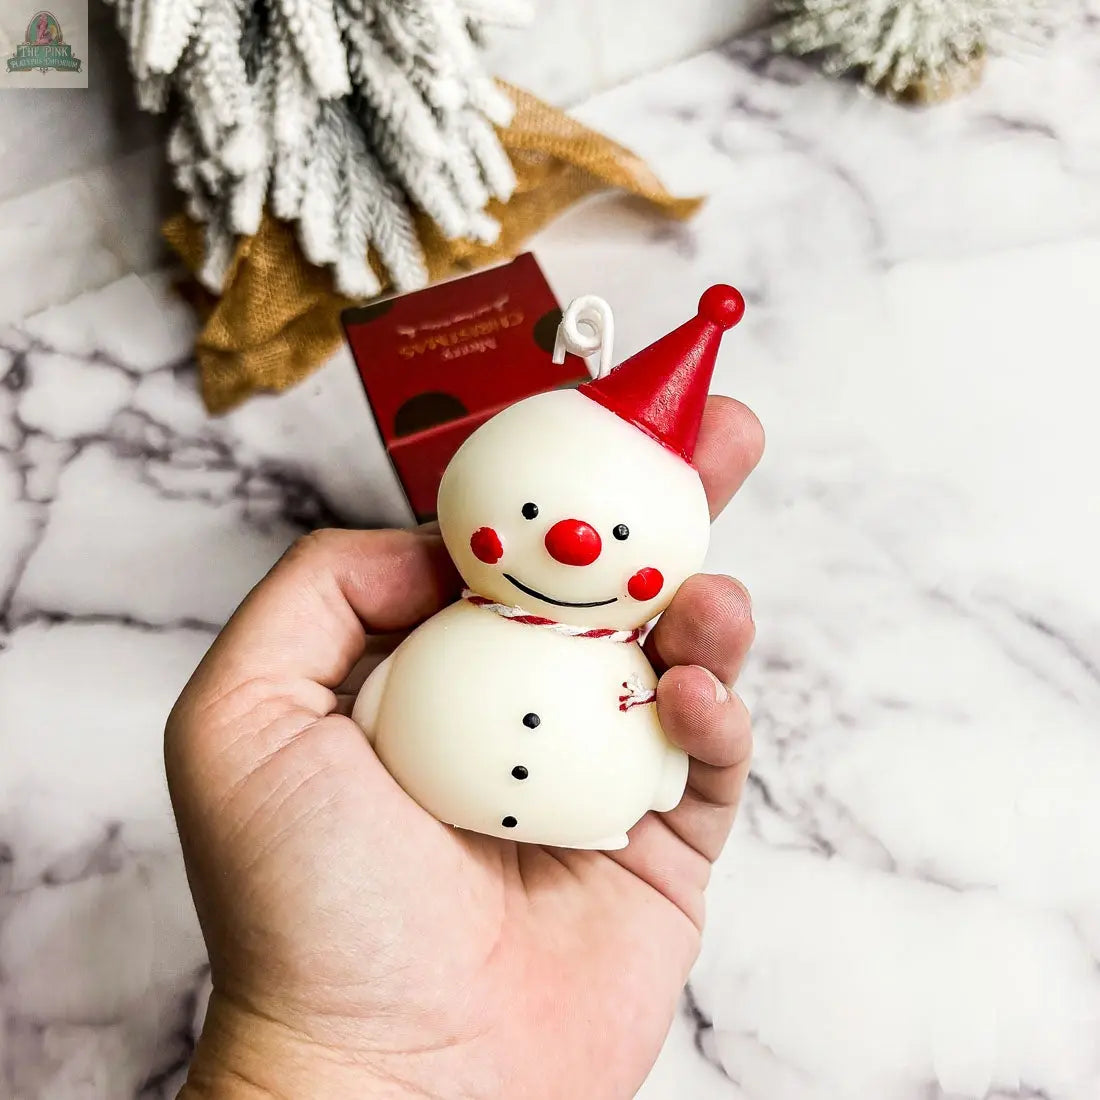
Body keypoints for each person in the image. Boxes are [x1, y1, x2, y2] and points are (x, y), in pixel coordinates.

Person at [166, 395, 764, 1098]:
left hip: (597, 827)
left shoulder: (625, 668)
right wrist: (327, 1049)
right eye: (531, 515)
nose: (574, 543)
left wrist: (658, 776)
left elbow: (666, 749)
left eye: (620, 533)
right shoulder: (450, 631)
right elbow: (383, 700)